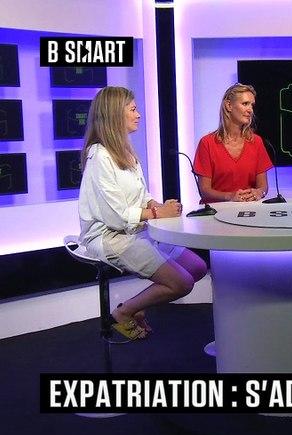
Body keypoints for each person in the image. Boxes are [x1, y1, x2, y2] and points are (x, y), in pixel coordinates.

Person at [78, 86, 208, 340]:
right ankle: (123, 312)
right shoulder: (99, 156)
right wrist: (157, 213)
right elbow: (116, 217)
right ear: (115, 114)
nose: (138, 115)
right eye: (133, 109)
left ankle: (138, 307)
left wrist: (161, 206)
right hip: (111, 237)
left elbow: (141, 195)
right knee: (182, 283)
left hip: (137, 230)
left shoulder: (126, 151)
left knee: (198, 267)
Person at [193, 83, 273, 203]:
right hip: (216, 211)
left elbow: (263, 187)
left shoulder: (256, 142)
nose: (250, 110)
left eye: (252, 105)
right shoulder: (207, 143)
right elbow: (204, 190)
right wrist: (230, 196)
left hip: (249, 210)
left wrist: (258, 192)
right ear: (229, 105)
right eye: (245, 104)